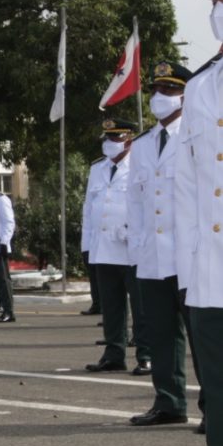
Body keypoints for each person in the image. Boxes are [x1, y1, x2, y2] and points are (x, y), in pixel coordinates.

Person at [130, 61, 203, 429]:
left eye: (170, 89)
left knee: (202, 337)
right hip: (154, 257)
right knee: (160, 333)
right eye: (157, 90)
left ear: (186, 96)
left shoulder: (198, 135)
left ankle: (213, 408)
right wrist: (137, 251)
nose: (160, 96)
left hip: (192, 255)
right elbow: (135, 203)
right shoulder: (142, 145)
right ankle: (169, 402)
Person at [176, 0, 223, 446]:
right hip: (211, 282)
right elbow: (189, 191)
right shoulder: (201, 88)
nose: (220, 10)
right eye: (218, 0)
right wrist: (191, 278)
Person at [83, 118, 152, 374]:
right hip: (104, 248)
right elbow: (89, 209)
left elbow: (149, 204)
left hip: (132, 249)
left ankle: (146, 354)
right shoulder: (97, 168)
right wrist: (87, 245)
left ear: (129, 140)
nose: (109, 143)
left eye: (115, 138)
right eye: (107, 138)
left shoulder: (140, 165)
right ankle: (114, 354)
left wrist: (133, 230)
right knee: (111, 307)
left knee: (141, 307)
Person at [0, 176, 16, 323]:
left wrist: (5, 242)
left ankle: (8, 311)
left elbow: (8, 221)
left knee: (3, 281)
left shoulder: (0, 199)